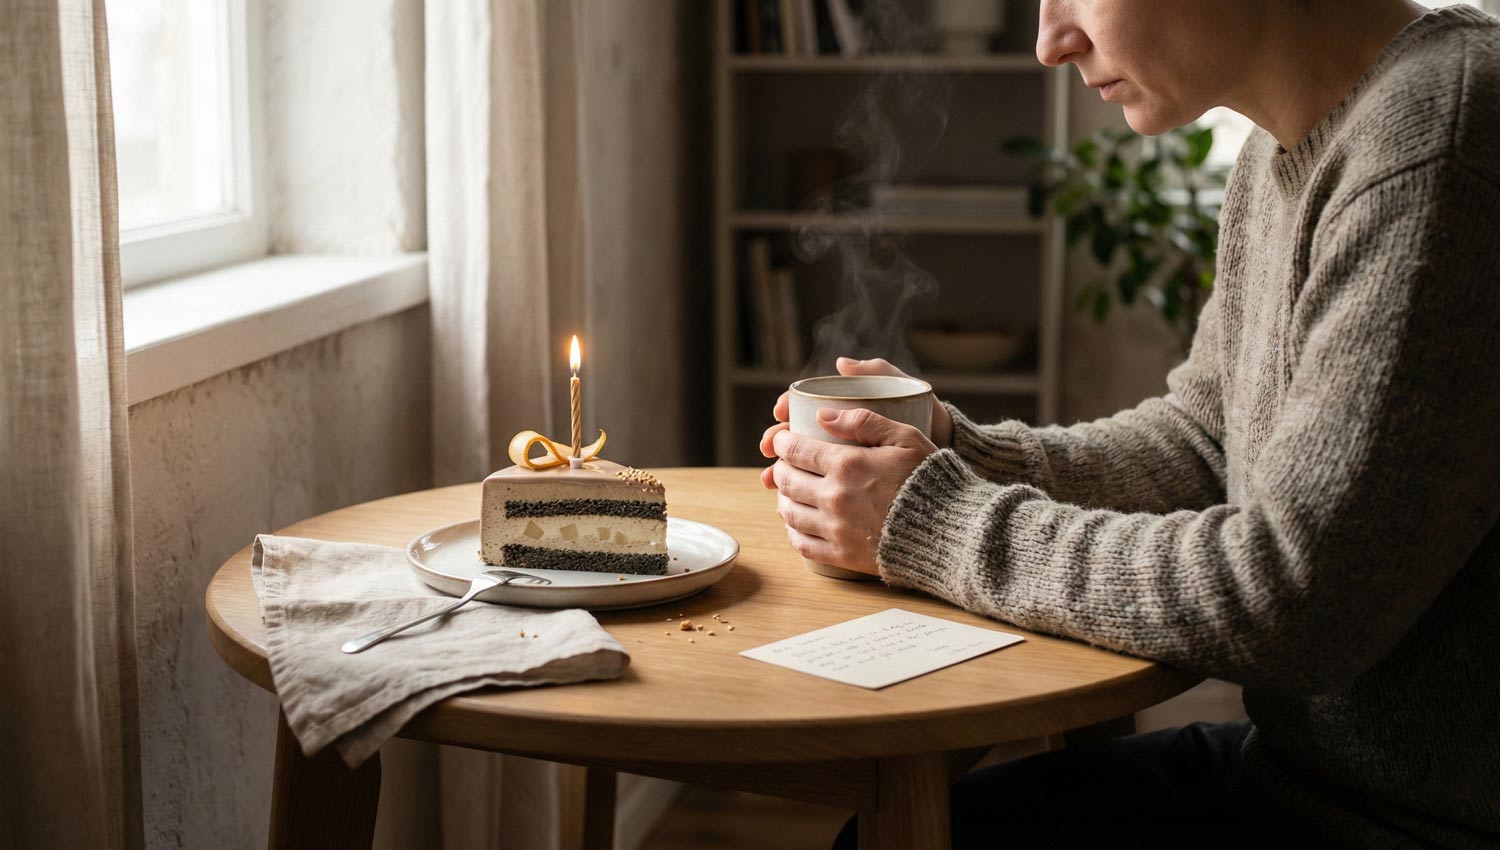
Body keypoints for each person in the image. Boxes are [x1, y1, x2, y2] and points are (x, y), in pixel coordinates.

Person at [760, 1, 1500, 847]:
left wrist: (933, 520)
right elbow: (1203, 441)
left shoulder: (1443, 136)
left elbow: (1292, 599)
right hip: (1304, 779)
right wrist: (963, 453)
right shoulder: (1283, 148)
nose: (1049, 43)